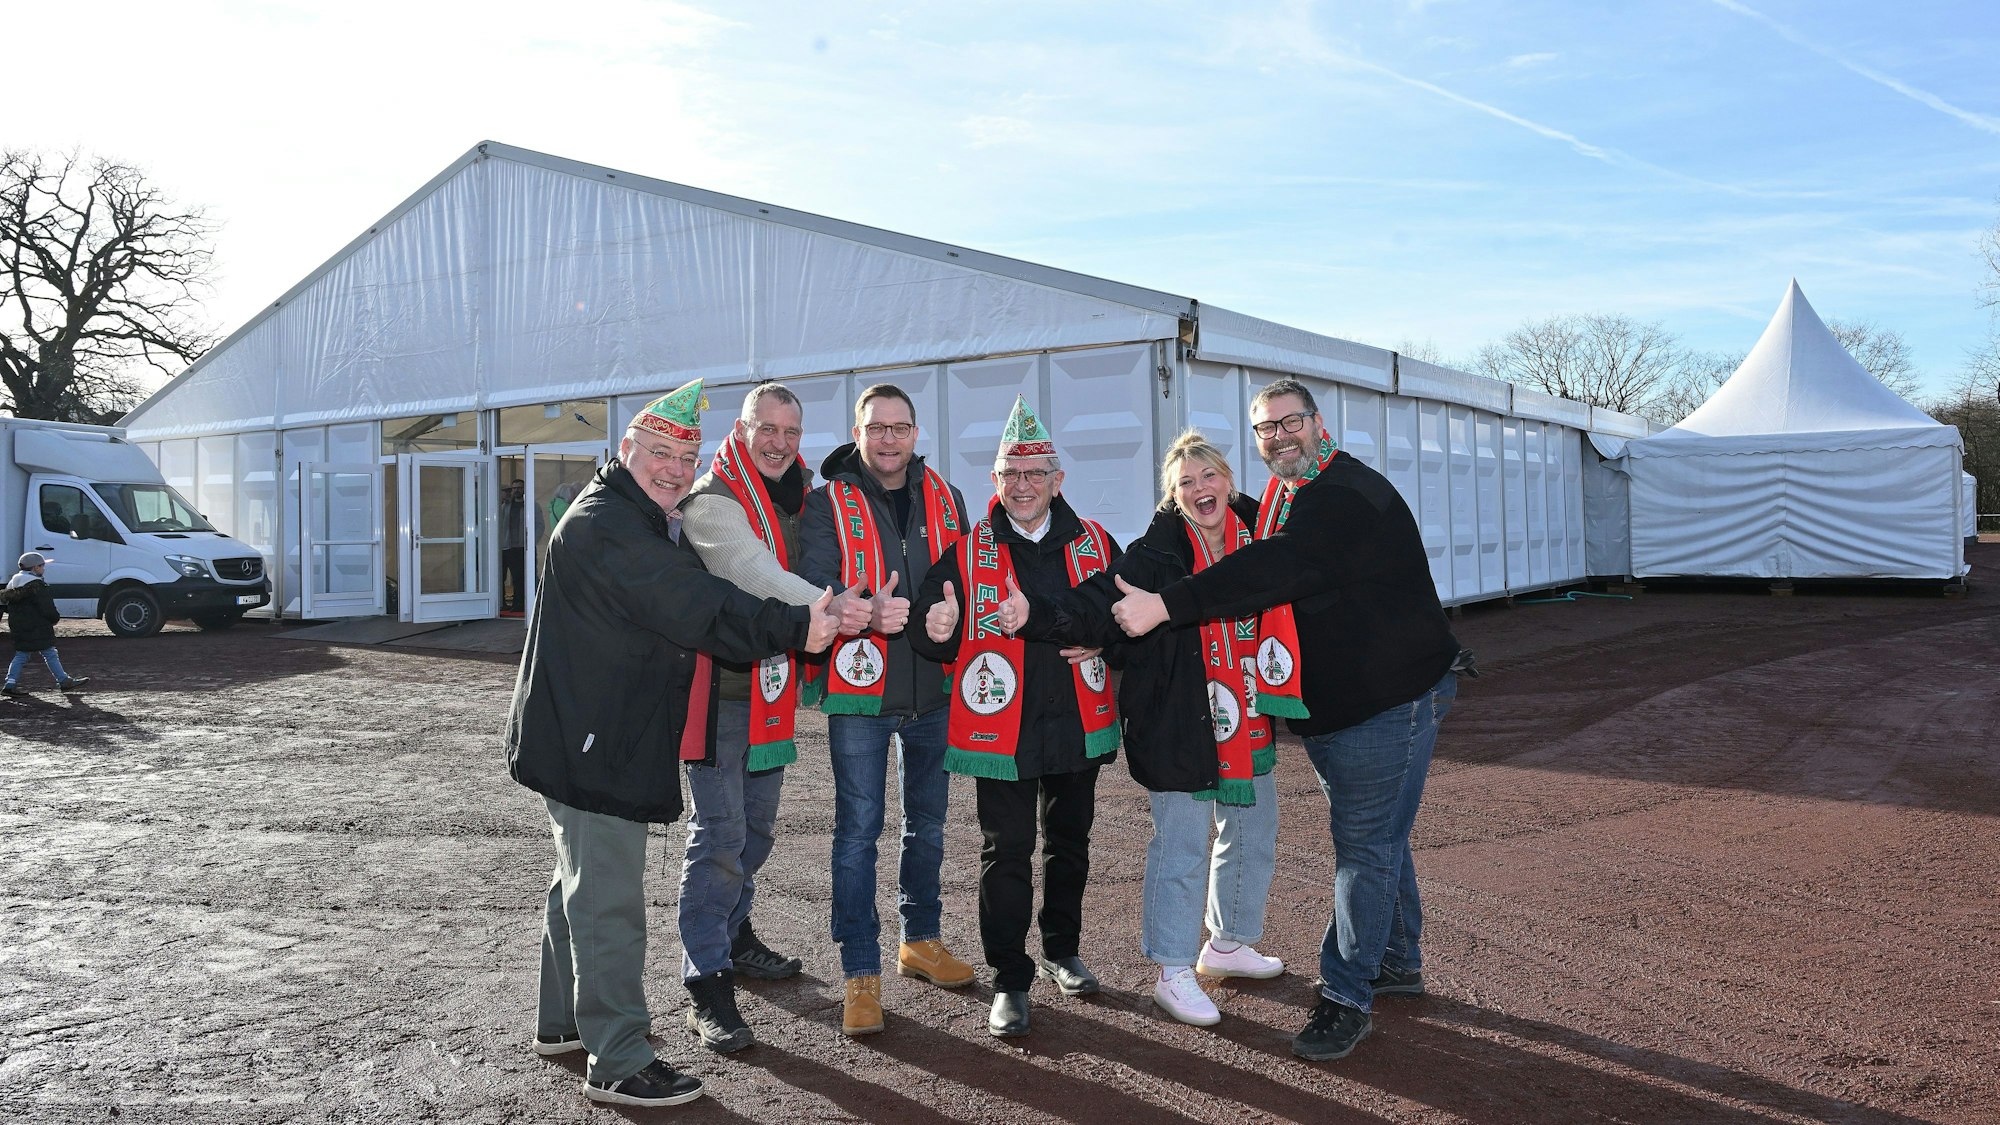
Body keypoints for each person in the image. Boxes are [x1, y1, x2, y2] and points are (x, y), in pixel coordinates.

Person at [506, 378, 844, 1108]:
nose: (673, 468)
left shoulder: (628, 515)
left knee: (579, 885)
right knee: (608, 902)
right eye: (659, 452)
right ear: (627, 447)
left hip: (585, 733)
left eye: (685, 458)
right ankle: (618, 1059)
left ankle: (564, 1024)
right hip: (595, 738)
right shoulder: (612, 527)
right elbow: (696, 604)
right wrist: (794, 625)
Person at [1110, 378, 1462, 1062]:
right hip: (1341, 708)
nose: (1279, 436)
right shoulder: (1284, 496)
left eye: (1289, 422)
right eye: (1266, 428)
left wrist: (1166, 605)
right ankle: (1396, 959)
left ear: (1317, 421)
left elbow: (1272, 566)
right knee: (1380, 837)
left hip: (1386, 703)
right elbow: (1194, 534)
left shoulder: (1338, 496)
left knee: (1364, 847)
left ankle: (1346, 995)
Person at [909, 395, 1121, 1038]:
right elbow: (930, 627)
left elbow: (1125, 616)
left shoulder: (1096, 544)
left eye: (1034, 473)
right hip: (1000, 730)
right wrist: (936, 627)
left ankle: (1062, 950)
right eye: (1010, 474)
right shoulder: (965, 551)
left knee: (1070, 844)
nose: (1022, 486)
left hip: (1076, 722)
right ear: (994, 480)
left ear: (1058, 479)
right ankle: (1009, 977)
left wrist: (1105, 640)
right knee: (1006, 852)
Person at [675, 383, 873, 1052]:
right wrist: (834, 605)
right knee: (719, 837)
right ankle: (706, 979)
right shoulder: (710, 500)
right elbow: (751, 571)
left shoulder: (798, 501)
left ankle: (734, 933)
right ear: (741, 430)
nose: (780, 443)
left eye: (791, 432)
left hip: (770, 690)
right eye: (768, 428)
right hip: (717, 695)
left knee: (755, 832)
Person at [799, 383, 976, 1036]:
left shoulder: (947, 497)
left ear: (915, 433)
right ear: (858, 432)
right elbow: (812, 582)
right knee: (858, 832)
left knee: (927, 826)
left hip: (934, 692)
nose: (889, 439)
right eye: (877, 427)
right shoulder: (826, 503)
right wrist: (863, 608)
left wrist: (955, 610)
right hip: (860, 693)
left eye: (900, 427)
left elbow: (963, 579)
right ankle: (859, 972)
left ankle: (919, 939)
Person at [2, 552, 88, 696]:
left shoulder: (13, 584)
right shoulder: (37, 585)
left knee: (22, 654)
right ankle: (63, 681)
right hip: (38, 626)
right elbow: (47, 608)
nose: (43, 568)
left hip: (18, 626)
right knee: (50, 653)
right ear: (34, 568)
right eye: (41, 566)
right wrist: (54, 619)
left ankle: (10, 684)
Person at [501, 479, 527, 612]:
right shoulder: (506, 506)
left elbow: (539, 524)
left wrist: (530, 540)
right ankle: (503, 603)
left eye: (519, 487)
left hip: (522, 546)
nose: (517, 490)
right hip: (507, 545)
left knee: (519, 577)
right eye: (514, 488)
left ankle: (519, 604)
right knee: (502, 576)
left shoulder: (529, 505)